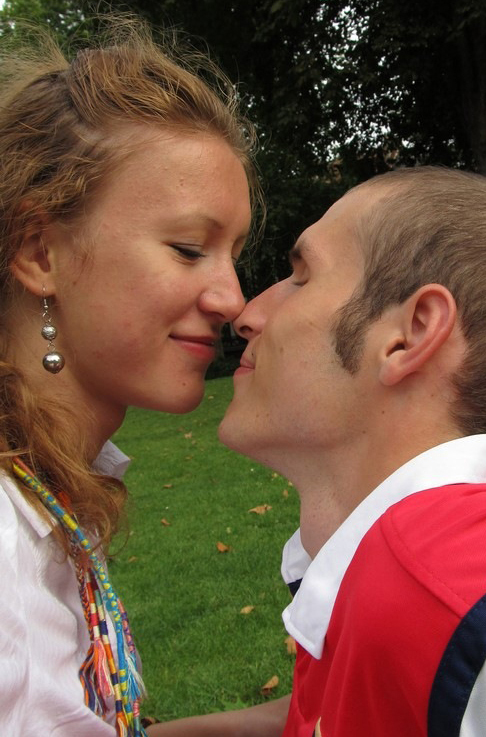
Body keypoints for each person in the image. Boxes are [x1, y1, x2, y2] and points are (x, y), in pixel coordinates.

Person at [152, 165, 486, 736]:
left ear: (409, 334)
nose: (245, 314)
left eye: (302, 279)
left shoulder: (457, 598)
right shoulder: (396, 585)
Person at [0, 16, 259, 737]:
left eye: (234, 254)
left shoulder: (45, 488)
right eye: (189, 248)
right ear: (40, 253)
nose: (233, 299)